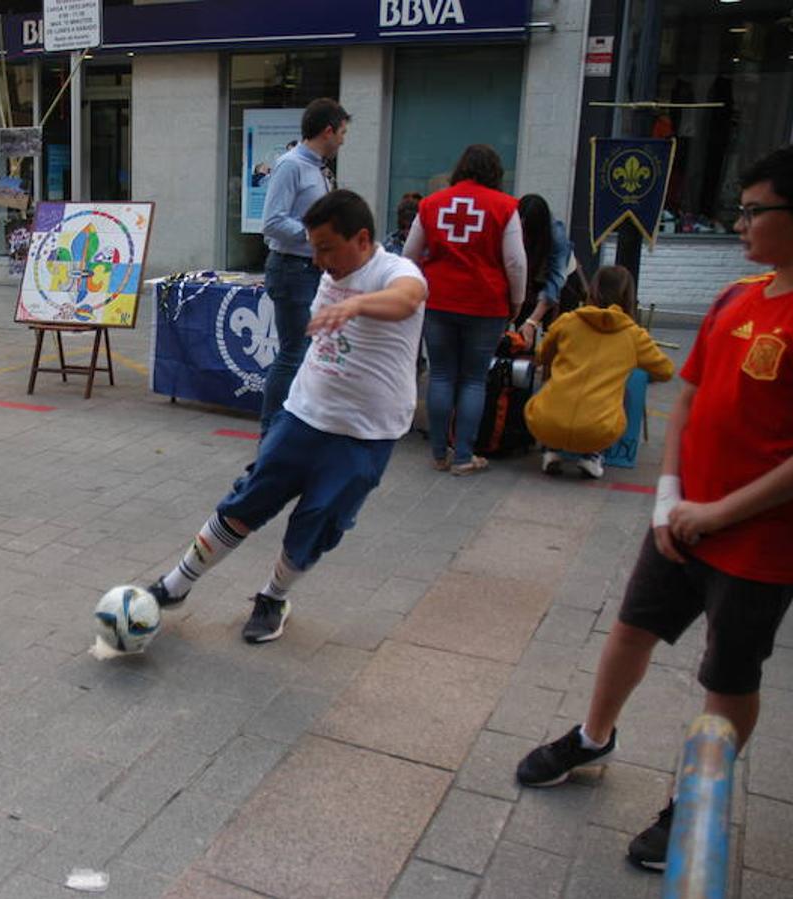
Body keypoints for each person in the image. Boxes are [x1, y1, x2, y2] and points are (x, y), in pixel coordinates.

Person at [515, 138, 793, 872]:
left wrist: (715, 515)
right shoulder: (737, 297)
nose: (741, 224)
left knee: (728, 672)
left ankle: (695, 798)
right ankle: (593, 737)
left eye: (755, 213)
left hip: (762, 539)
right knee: (631, 628)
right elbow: (686, 394)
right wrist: (668, 499)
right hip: (682, 520)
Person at [147, 190, 427, 643]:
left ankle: (273, 596)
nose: (318, 261)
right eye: (314, 248)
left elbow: (408, 299)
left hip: (365, 432)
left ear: (361, 239)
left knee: (316, 524)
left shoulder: (397, 272)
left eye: (326, 248)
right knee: (248, 499)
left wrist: (355, 304)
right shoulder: (330, 269)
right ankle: (177, 584)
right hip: (303, 413)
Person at [404, 144, 526, 475]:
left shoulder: (430, 205)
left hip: (439, 300)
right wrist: (516, 301)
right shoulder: (504, 207)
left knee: (441, 374)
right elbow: (515, 261)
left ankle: (439, 453)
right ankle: (464, 457)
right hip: (486, 304)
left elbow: (410, 253)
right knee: (474, 379)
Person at [525, 265, 674, 479]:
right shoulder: (634, 335)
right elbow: (666, 371)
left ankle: (552, 450)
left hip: (546, 422)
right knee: (619, 398)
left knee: (549, 390)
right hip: (598, 429)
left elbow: (540, 356)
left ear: (593, 290)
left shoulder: (568, 321)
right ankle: (592, 455)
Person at [259, 97, 351, 435]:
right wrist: (317, 239)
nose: (343, 139)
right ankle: (271, 431)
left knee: (307, 351)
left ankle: (296, 424)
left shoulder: (319, 168)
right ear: (327, 131)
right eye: (341, 132)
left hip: (312, 270)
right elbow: (272, 221)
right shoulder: (291, 165)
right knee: (293, 353)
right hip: (292, 269)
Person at [515, 193, 574, 347]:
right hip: (527, 281)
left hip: (554, 284)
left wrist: (532, 322)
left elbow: (554, 284)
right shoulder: (511, 221)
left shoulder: (557, 236)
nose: (523, 235)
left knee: (548, 337)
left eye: (527, 231)